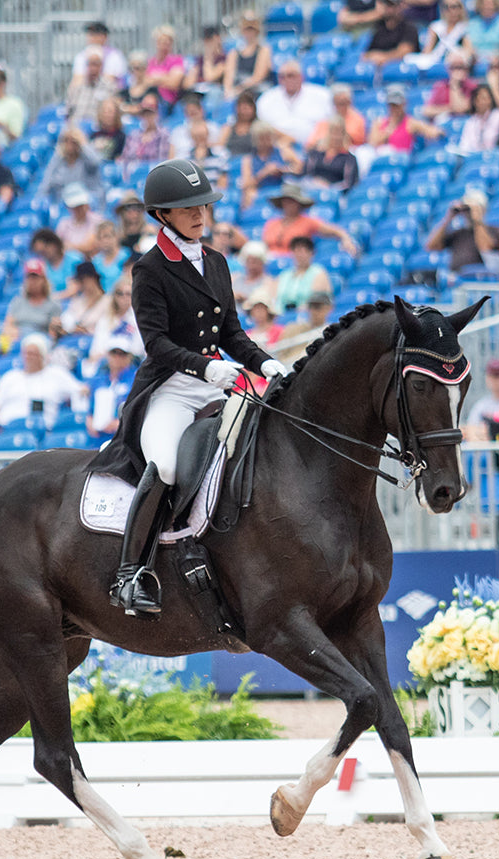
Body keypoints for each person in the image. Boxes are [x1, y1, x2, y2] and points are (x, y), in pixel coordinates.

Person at [86, 158, 287, 617]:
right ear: (162, 215)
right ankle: (129, 574)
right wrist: (205, 368)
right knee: (168, 466)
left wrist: (266, 362)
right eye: (188, 208)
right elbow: (155, 344)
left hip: (216, 383)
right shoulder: (150, 270)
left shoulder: (216, 262)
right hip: (171, 387)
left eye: (203, 205)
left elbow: (232, 334)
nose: (200, 214)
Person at [0, 333, 87, 428]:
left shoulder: (56, 374)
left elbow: (82, 390)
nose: (28, 357)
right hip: (8, 428)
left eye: (33, 354)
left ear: (42, 355)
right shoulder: (10, 377)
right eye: (26, 353)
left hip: (42, 429)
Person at [357, 84, 444, 173]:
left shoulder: (410, 123)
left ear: (403, 105)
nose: (394, 109)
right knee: (363, 152)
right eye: (392, 105)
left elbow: (430, 130)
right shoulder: (379, 123)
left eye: (397, 105)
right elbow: (372, 142)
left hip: (399, 160)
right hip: (381, 158)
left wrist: (438, 131)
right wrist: (390, 129)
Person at [262, 183, 359, 256]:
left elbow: (334, 231)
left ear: (299, 204)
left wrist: (345, 239)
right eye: (286, 202)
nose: (288, 205)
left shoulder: (307, 222)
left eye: (291, 202)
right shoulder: (271, 224)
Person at [425, 188, 499, 274]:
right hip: (457, 277)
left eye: (469, 209)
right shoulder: (459, 233)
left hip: (480, 278)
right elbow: (432, 246)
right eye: (465, 209)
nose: (467, 213)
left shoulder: (493, 230)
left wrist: (477, 220)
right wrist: (448, 218)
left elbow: (485, 248)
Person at [255, 60, 332, 147]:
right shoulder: (267, 99)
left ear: (301, 77)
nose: (287, 79)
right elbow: (261, 127)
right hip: (278, 148)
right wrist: (288, 139)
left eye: (291, 76)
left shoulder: (322, 95)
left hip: (316, 147)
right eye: (282, 77)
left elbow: (333, 123)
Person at [87, 335, 138, 443]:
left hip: (122, 437)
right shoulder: (100, 380)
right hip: (98, 437)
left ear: (129, 357)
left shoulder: (136, 380)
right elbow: (90, 410)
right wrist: (91, 422)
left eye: (122, 354)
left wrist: (120, 424)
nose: (117, 358)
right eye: (114, 353)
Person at [239, 120, 301, 208]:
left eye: (268, 137)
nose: (265, 141)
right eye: (262, 138)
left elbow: (300, 168)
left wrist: (283, 170)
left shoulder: (282, 151)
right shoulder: (248, 159)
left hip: (281, 188)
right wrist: (264, 173)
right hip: (260, 189)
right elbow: (246, 184)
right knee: (249, 194)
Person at [1, 258, 62, 345]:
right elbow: (8, 325)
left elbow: (53, 333)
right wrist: (13, 334)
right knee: (2, 341)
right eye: (29, 277)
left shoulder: (53, 304)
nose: (32, 281)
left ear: (43, 280)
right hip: (17, 341)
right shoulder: (17, 302)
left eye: (35, 277)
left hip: (40, 343)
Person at [37, 126, 103, 205]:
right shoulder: (58, 160)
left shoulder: (87, 159)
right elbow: (46, 182)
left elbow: (95, 162)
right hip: (63, 204)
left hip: (86, 202)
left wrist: (83, 144)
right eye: (66, 141)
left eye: (74, 142)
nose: (69, 144)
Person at [223, 11, 274, 101]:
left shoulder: (263, 50)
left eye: (252, 29)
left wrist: (239, 90)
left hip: (255, 90)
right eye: (247, 29)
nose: (249, 32)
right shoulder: (234, 53)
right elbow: (229, 76)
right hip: (237, 91)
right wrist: (228, 90)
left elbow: (258, 77)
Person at [409, 0, 473, 71]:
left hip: (455, 65)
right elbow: (427, 51)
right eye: (446, 7)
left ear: (461, 9)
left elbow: (468, 52)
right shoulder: (436, 27)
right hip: (436, 63)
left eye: (454, 7)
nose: (451, 10)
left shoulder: (465, 28)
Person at [274, 236, 332, 312]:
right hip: (282, 314)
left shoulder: (318, 273)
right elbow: (275, 298)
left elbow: (317, 301)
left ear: (311, 253)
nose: (299, 255)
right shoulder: (284, 275)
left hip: (307, 315)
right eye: (296, 251)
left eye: (303, 251)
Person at [119, 94, 172, 178]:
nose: (147, 117)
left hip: (153, 175)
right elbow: (125, 158)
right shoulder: (133, 135)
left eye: (150, 114)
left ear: (157, 114)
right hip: (133, 175)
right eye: (144, 114)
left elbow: (162, 161)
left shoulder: (163, 134)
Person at [54, 260, 108, 338]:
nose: (82, 284)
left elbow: (106, 327)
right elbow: (66, 321)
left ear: (93, 279)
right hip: (75, 340)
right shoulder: (77, 301)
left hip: (95, 341)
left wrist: (86, 331)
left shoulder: (108, 301)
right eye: (80, 281)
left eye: (83, 280)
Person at [305, 83, 367, 150]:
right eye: (338, 103)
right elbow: (310, 144)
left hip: (348, 152)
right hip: (325, 153)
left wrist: (328, 139)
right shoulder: (326, 119)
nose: (341, 106)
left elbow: (350, 138)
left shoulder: (356, 118)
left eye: (344, 102)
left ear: (349, 102)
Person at [65, 47, 119, 124]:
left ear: (101, 66)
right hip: (76, 127)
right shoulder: (76, 88)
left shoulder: (109, 87)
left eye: (96, 64)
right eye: (90, 64)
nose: (93, 68)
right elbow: (67, 112)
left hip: (97, 128)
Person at [362, 0, 421, 67]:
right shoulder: (379, 28)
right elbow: (366, 54)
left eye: (391, 5)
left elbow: (405, 51)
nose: (388, 8)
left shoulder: (409, 27)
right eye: (386, 4)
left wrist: (383, 57)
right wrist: (372, 56)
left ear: (400, 7)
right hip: (382, 73)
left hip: (404, 72)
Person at [29, 227, 83, 300]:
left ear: (53, 244)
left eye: (44, 250)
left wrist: (53, 299)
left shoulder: (75, 260)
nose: (43, 255)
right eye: (40, 253)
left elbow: (74, 290)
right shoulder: (43, 267)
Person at [71, 20, 127, 88]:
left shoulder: (114, 56)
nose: (92, 38)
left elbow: (109, 80)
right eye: (90, 34)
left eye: (95, 34)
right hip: (85, 94)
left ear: (104, 36)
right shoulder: (81, 56)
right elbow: (77, 80)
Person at [422, 51, 477, 121]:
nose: (457, 71)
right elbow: (427, 111)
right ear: (448, 69)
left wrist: (455, 85)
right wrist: (449, 109)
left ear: (467, 68)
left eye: (460, 67)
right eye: (453, 67)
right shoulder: (441, 86)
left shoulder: (472, 86)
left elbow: (460, 109)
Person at [457, 83, 499, 154]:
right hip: (474, 158)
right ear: (474, 101)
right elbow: (464, 146)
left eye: (486, 98)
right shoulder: (471, 122)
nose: (483, 102)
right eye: (479, 99)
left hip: (493, 156)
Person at [466, 0, 499, 68]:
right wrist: (473, 56)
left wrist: (497, 57)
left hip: (498, 61)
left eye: (490, 4)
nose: (487, 7)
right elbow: (468, 46)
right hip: (476, 62)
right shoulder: (472, 24)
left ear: (496, 5)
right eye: (484, 4)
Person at [56, 183, 102, 258]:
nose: (78, 209)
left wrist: (69, 246)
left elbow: (90, 246)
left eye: (81, 205)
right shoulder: (63, 224)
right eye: (74, 206)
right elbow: (57, 248)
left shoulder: (97, 220)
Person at [146, 25, 185, 109]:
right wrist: (166, 76)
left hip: (167, 102)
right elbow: (145, 81)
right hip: (151, 98)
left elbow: (174, 83)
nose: (164, 46)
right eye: (161, 42)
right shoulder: (151, 62)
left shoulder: (177, 60)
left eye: (167, 43)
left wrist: (155, 78)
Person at [183, 25, 227, 99]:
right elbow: (187, 84)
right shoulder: (200, 59)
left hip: (213, 95)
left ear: (218, 38)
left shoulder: (224, 59)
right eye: (206, 39)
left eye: (210, 39)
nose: (208, 42)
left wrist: (208, 57)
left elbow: (209, 77)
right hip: (198, 93)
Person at [231, 239, 275, 304]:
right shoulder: (234, 278)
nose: (251, 265)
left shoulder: (268, 282)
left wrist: (247, 300)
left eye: (255, 262)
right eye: (248, 261)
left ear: (262, 262)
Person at [217, 90, 259, 156]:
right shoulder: (228, 129)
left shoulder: (260, 128)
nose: (245, 111)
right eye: (243, 107)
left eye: (248, 107)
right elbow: (219, 146)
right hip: (231, 160)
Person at [92, 219, 129, 291]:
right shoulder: (95, 260)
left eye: (107, 236)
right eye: (100, 238)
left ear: (116, 237)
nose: (104, 241)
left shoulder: (127, 256)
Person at [115, 190, 155, 256]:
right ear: (122, 212)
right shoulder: (118, 235)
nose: (134, 212)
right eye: (129, 207)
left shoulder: (149, 230)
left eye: (138, 207)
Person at [90, 98, 127, 162]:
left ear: (116, 114)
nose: (107, 115)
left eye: (110, 112)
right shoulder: (94, 135)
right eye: (104, 111)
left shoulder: (122, 137)